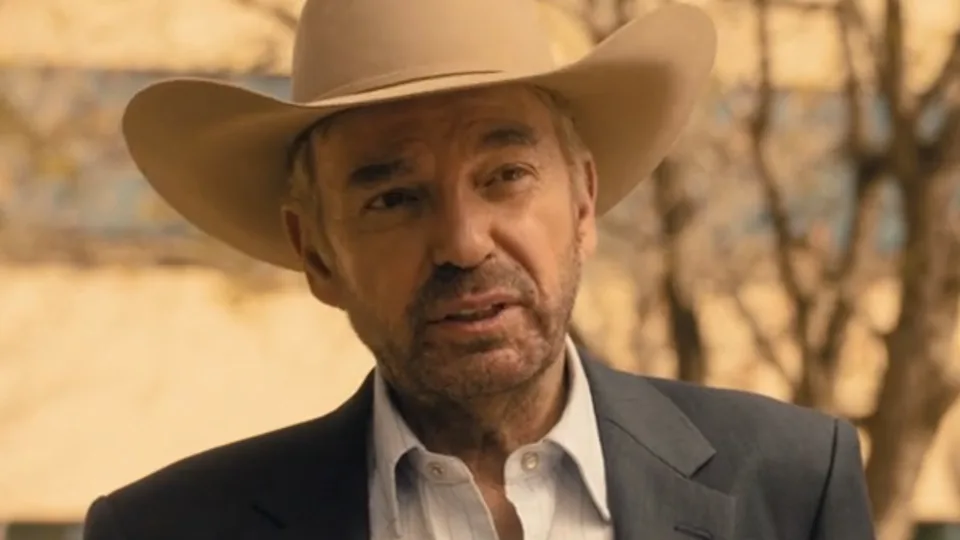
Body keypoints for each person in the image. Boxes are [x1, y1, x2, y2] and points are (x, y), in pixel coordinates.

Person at [83, 0, 875, 539]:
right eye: (395, 198)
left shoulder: (789, 487)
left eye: (505, 176)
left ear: (584, 202)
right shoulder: (168, 529)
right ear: (317, 252)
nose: (462, 243)